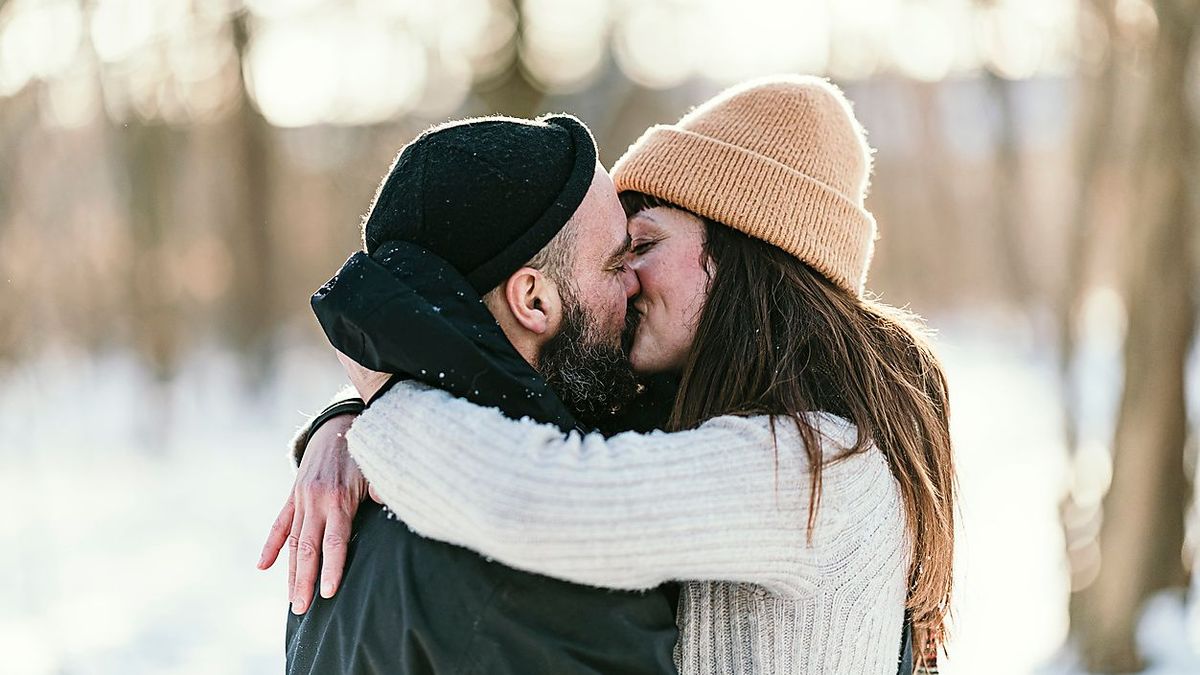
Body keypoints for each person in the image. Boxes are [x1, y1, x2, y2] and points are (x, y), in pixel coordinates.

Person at [297, 76, 955, 673]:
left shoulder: (821, 466)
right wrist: (343, 420)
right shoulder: (700, 417)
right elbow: (520, 396)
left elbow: (544, 496)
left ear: (741, 259)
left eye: (642, 245)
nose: (628, 279)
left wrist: (384, 394)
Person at [259, 113, 681, 674]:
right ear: (534, 301)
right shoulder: (544, 566)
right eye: (615, 263)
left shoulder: (362, 504)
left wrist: (350, 418)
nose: (634, 282)